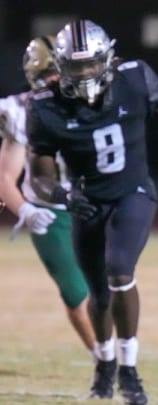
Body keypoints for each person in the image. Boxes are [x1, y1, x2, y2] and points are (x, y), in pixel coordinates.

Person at [26, 19, 158, 405]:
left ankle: (128, 368)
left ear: (107, 58)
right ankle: (105, 362)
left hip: (134, 192)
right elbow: (39, 175)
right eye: (76, 67)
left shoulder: (136, 78)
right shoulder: (46, 107)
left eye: (91, 64)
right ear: (60, 67)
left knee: (119, 269)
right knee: (98, 294)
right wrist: (61, 194)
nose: (86, 73)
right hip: (87, 200)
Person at [0, 36, 95, 354]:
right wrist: (25, 210)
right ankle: (106, 361)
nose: (56, 80)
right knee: (76, 292)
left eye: (61, 72)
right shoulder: (19, 111)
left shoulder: (92, 103)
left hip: (88, 206)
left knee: (106, 289)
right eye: (49, 74)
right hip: (49, 211)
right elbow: (5, 176)